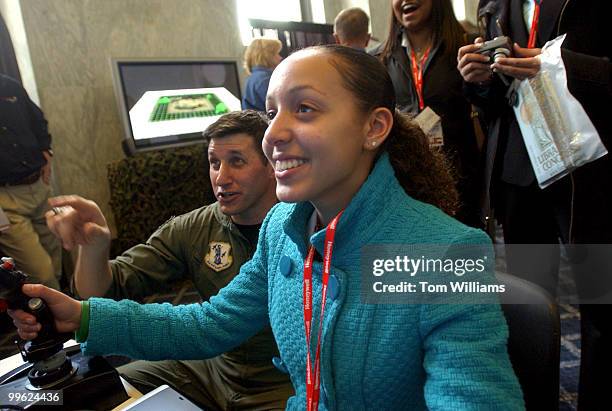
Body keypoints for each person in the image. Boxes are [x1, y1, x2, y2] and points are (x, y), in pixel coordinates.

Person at [10, 45, 523, 410]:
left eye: (304, 109)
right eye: (272, 112)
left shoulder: (445, 251)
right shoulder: (284, 227)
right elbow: (210, 323)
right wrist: (82, 315)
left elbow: (473, 396)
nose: (274, 134)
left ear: (374, 127)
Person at [43, 110, 293, 410]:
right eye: (214, 163)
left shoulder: (304, 228)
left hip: (282, 383)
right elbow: (102, 293)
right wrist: (94, 246)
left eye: (237, 161)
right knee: (96, 391)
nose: (221, 178)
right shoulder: (195, 226)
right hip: (212, 367)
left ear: (271, 166)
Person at [457, 1, 612, 409]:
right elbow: (492, 106)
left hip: (586, 172)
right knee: (532, 307)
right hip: (519, 174)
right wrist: (478, 81)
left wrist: (556, 66)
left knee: (600, 306)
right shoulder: (493, 6)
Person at [372, 0, 482, 228]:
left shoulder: (467, 48)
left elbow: (491, 109)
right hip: (405, 184)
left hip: (462, 181)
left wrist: (483, 83)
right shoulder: (378, 60)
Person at [0, 74, 61, 289]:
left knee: (57, 262)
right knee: (41, 273)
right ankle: (67, 321)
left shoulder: (9, 85)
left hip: (39, 187)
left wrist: (47, 150)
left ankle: (64, 314)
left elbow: (38, 119)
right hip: (7, 201)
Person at [242, 38, 282, 112]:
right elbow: (281, 108)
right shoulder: (265, 79)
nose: (280, 57)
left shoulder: (253, 77)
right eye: (277, 53)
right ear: (267, 56)